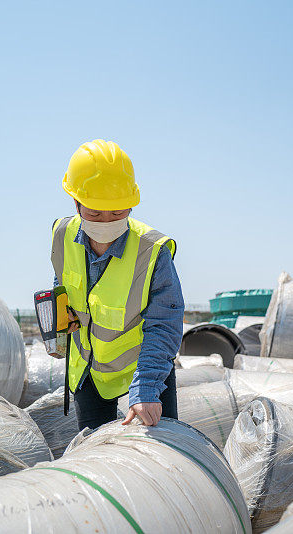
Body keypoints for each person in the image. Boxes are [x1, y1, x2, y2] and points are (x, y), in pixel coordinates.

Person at [51, 139, 184, 430]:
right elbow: (63, 277)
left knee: (164, 449)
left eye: (118, 212)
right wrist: (62, 314)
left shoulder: (152, 251)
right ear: (76, 203)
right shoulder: (62, 235)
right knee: (94, 449)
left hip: (145, 365)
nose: (107, 221)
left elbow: (164, 322)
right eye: (95, 213)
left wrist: (147, 387)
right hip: (88, 369)